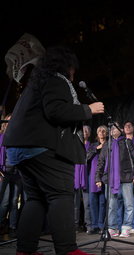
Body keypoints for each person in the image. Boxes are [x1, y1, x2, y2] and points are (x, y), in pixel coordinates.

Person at [2, 46, 104, 255]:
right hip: (43, 148)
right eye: (73, 70)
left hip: (21, 150)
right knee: (62, 195)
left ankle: (26, 250)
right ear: (66, 65)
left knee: (35, 199)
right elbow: (55, 110)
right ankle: (67, 250)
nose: (74, 75)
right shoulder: (57, 80)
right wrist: (88, 109)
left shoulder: (35, 84)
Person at [95, 122, 134, 238]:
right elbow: (101, 163)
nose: (113, 130)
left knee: (128, 204)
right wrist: (97, 178)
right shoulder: (106, 145)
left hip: (126, 177)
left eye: (116, 127)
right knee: (111, 205)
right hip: (110, 178)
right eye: (111, 128)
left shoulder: (127, 142)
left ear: (120, 130)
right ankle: (112, 228)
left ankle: (126, 228)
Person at [0, 114, 22, 238]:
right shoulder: (1, 138)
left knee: (14, 201)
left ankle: (13, 227)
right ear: (4, 124)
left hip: (16, 173)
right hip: (4, 172)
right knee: (4, 201)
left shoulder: (18, 137)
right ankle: (1, 225)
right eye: (8, 121)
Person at [86, 125, 108, 235]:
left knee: (103, 201)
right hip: (92, 175)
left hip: (104, 175)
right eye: (99, 130)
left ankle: (101, 225)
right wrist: (97, 149)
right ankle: (93, 226)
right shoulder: (93, 145)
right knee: (92, 201)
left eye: (103, 131)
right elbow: (87, 157)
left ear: (107, 133)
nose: (101, 132)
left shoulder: (109, 145)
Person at [121, 121, 134, 235]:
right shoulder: (120, 142)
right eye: (125, 125)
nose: (127, 127)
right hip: (125, 175)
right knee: (124, 201)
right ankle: (121, 226)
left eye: (130, 125)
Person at [74, 125, 92, 233]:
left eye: (85, 132)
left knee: (87, 204)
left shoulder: (91, 146)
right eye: (82, 132)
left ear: (88, 134)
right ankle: (75, 225)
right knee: (75, 205)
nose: (83, 133)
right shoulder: (75, 146)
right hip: (75, 177)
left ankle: (88, 225)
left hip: (86, 177)